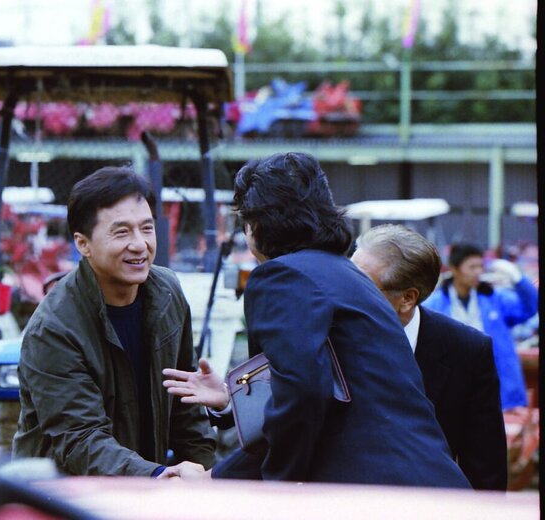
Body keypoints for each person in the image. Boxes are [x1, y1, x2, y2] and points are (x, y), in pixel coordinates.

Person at [163, 152, 469, 487]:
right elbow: (322, 394)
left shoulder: (283, 275)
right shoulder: (348, 276)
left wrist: (229, 482)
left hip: (375, 494)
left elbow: (302, 396)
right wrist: (231, 402)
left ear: (258, 225)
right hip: (426, 483)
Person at [13, 166, 216, 476]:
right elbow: (80, 440)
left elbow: (186, 409)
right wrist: (157, 477)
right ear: (83, 244)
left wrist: (207, 476)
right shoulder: (53, 328)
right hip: (65, 491)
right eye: (122, 232)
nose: (139, 244)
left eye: (147, 228)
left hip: (146, 484)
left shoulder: (167, 293)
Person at [351, 225, 507, 490]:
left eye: (361, 285)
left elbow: (485, 466)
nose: (346, 292)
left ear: (407, 298)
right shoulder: (328, 334)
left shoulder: (466, 351)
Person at [424, 243, 537, 410]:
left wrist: (518, 279)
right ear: (454, 269)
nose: (478, 272)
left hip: (496, 382)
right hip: (453, 383)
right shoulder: (434, 304)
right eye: (472, 267)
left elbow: (530, 307)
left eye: (480, 266)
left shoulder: (495, 299)